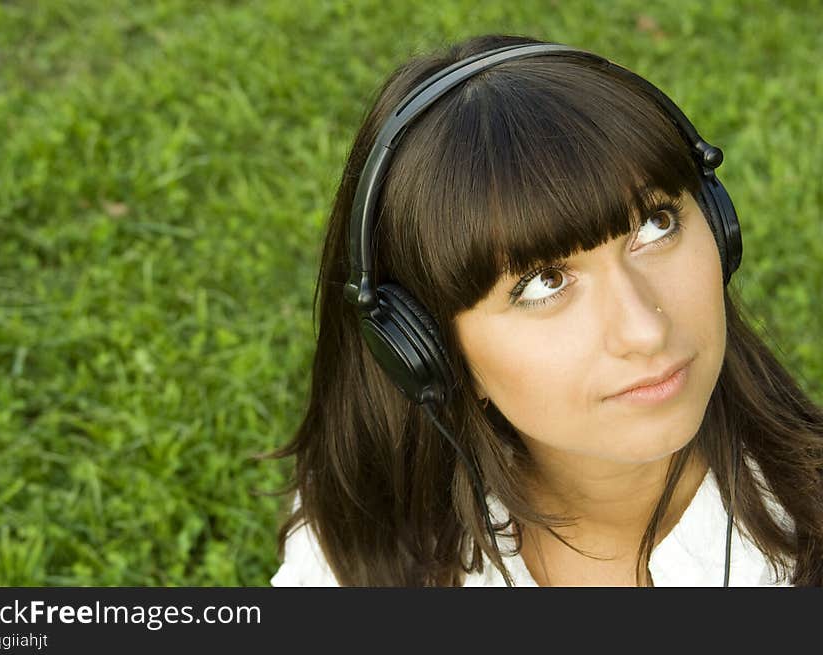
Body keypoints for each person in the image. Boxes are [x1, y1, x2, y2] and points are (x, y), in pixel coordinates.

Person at [266, 34, 823, 587]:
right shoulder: (366, 531)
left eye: (656, 225)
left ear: (718, 228)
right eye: (544, 282)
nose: (645, 330)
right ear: (424, 351)